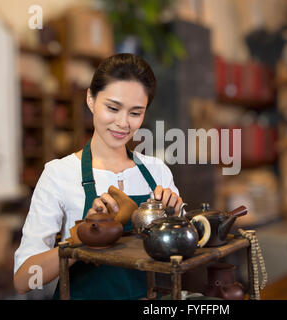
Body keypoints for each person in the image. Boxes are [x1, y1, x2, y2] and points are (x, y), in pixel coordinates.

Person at [13, 53, 183, 299]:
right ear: (91, 100)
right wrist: (79, 241)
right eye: (113, 108)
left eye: (135, 113)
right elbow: (24, 279)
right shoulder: (59, 174)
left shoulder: (157, 172)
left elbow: (181, 253)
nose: (123, 123)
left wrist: (175, 217)